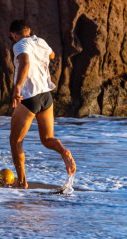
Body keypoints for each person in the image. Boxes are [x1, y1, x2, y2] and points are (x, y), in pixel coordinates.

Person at [8, 19, 76, 189]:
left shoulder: (19, 45)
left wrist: (16, 88)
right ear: (29, 30)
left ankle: (22, 181)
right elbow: (52, 55)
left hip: (29, 97)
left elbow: (25, 62)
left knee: (15, 141)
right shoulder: (40, 42)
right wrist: (40, 51)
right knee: (47, 139)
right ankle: (63, 151)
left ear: (13, 35)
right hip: (46, 96)